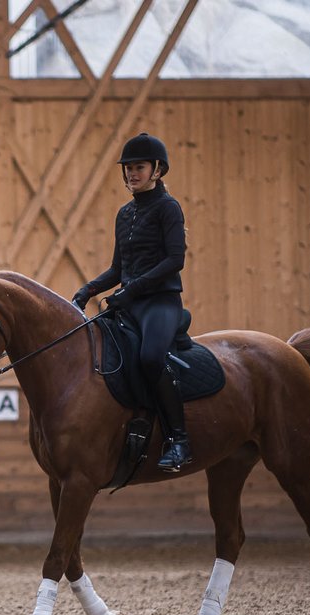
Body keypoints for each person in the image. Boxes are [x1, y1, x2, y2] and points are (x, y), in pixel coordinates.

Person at [72, 132, 191, 472]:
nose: (132, 174)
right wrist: (88, 290)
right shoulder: (124, 214)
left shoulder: (168, 208)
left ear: (157, 170)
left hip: (161, 303)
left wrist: (133, 289)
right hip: (130, 302)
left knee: (151, 358)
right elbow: (117, 269)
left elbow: (174, 260)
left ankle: (179, 439)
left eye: (139, 167)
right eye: (128, 168)